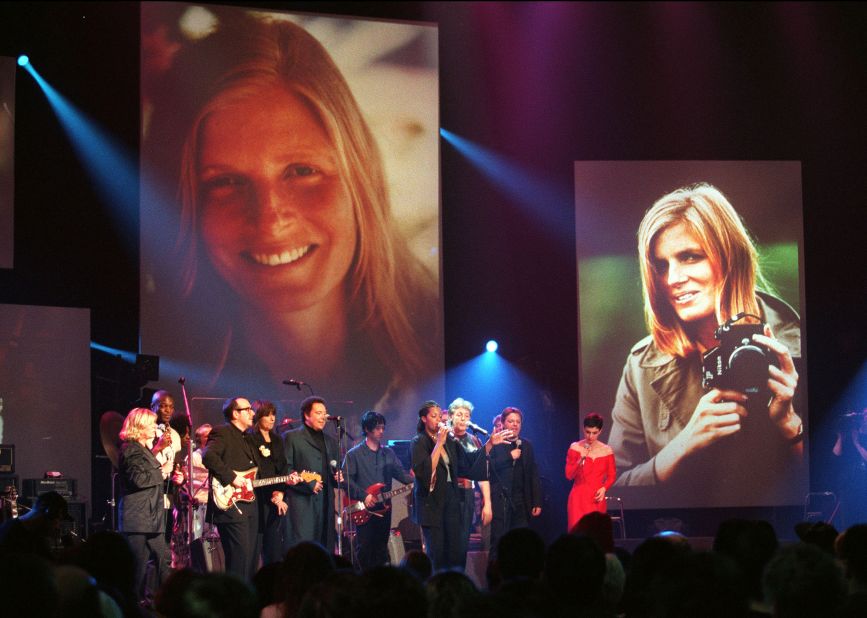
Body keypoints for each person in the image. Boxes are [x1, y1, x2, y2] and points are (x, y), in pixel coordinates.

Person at [141, 8, 442, 433]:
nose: (270, 219)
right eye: (225, 182)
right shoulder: (163, 404)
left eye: (301, 171)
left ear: (361, 176)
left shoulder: (440, 350)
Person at [607, 183, 804, 504]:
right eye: (661, 265)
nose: (672, 279)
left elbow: (841, 485)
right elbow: (611, 489)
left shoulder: (794, 343)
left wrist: (789, 426)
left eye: (690, 257)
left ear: (730, 257)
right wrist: (682, 447)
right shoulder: (642, 364)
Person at [410, 401, 510, 571]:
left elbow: (468, 462)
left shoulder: (450, 441)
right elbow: (425, 471)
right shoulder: (419, 441)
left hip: (451, 498)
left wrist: (490, 444)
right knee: (437, 552)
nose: (438, 420)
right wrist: (439, 443)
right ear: (424, 419)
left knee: (454, 551)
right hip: (431, 502)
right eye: (434, 417)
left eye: (439, 417)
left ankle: (454, 588)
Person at [343, 409, 413, 571]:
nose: (381, 431)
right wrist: (364, 495)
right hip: (362, 509)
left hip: (384, 509)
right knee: (365, 549)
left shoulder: (388, 453)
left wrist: (419, 479)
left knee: (381, 549)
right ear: (367, 429)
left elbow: (402, 475)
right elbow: (346, 480)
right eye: (377, 428)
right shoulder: (354, 455)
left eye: (383, 427)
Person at [203, 397, 262, 581]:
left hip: (250, 505)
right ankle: (234, 603)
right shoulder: (223, 432)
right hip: (231, 507)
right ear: (235, 413)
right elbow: (209, 457)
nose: (253, 412)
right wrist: (232, 477)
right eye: (248, 409)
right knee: (239, 560)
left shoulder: (249, 438)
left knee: (251, 561)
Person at [116, 407, 173, 599]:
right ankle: (133, 605)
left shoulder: (143, 449)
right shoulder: (130, 449)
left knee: (164, 559)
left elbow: (148, 472)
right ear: (140, 427)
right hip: (138, 520)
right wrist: (162, 471)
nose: (154, 427)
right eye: (151, 424)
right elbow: (139, 479)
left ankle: (170, 602)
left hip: (151, 518)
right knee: (137, 569)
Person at [283, 396, 341, 552]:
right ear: (306, 415)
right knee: (304, 552)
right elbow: (285, 469)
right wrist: (308, 484)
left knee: (325, 551)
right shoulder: (292, 437)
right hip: (303, 506)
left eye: (325, 413)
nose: (323, 417)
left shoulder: (331, 441)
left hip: (326, 504)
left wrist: (338, 477)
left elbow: (335, 469)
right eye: (318, 413)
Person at [487, 407, 542, 560]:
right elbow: (488, 468)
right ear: (503, 423)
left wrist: (537, 501)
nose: (514, 424)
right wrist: (509, 457)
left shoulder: (526, 445)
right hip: (501, 499)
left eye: (518, 422)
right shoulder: (495, 443)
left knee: (521, 541)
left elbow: (533, 474)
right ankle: (495, 576)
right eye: (511, 421)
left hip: (521, 501)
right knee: (499, 540)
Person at [448, 398, 492, 562]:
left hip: (467, 493)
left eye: (466, 415)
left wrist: (488, 503)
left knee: (462, 540)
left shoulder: (474, 440)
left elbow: (482, 474)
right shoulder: (444, 438)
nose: (463, 418)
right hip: (448, 493)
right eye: (459, 414)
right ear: (451, 416)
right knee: (449, 540)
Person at [248, 400, 290, 565]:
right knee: (254, 547)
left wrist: (279, 492)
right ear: (258, 416)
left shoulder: (278, 440)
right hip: (256, 497)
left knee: (273, 550)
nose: (272, 418)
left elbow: (283, 468)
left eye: (273, 414)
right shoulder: (250, 438)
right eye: (267, 415)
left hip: (274, 499)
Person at [566, 413, 615, 532]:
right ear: (584, 429)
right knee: (577, 534)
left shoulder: (607, 450)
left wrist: (604, 488)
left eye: (594, 433)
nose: (590, 436)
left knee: (596, 534)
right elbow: (569, 475)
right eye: (588, 432)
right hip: (578, 498)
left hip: (596, 498)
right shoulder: (575, 447)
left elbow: (612, 475)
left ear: (600, 431)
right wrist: (580, 459)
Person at [832, 409, 867, 527]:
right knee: (847, 515)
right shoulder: (850, 432)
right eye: (864, 415)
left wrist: (857, 443)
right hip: (847, 481)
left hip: (863, 481)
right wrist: (841, 436)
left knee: (862, 514)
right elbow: (837, 453)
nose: (865, 418)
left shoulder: (862, 437)